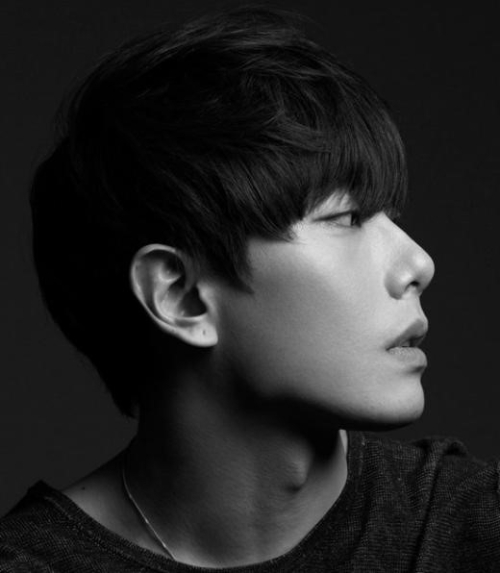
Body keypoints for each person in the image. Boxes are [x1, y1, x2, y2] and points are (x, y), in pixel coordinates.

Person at [1, 4, 499, 572]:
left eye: (391, 216)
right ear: (181, 297)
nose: (418, 263)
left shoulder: (474, 527)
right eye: (346, 218)